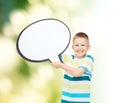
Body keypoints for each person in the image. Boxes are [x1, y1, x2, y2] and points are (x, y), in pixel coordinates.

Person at [52, 32, 94, 103]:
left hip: (81, 101)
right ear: (73, 47)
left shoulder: (88, 60)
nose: (79, 47)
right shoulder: (67, 59)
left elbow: (77, 73)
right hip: (66, 100)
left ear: (88, 47)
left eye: (83, 45)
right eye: (76, 45)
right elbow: (53, 59)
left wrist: (61, 65)